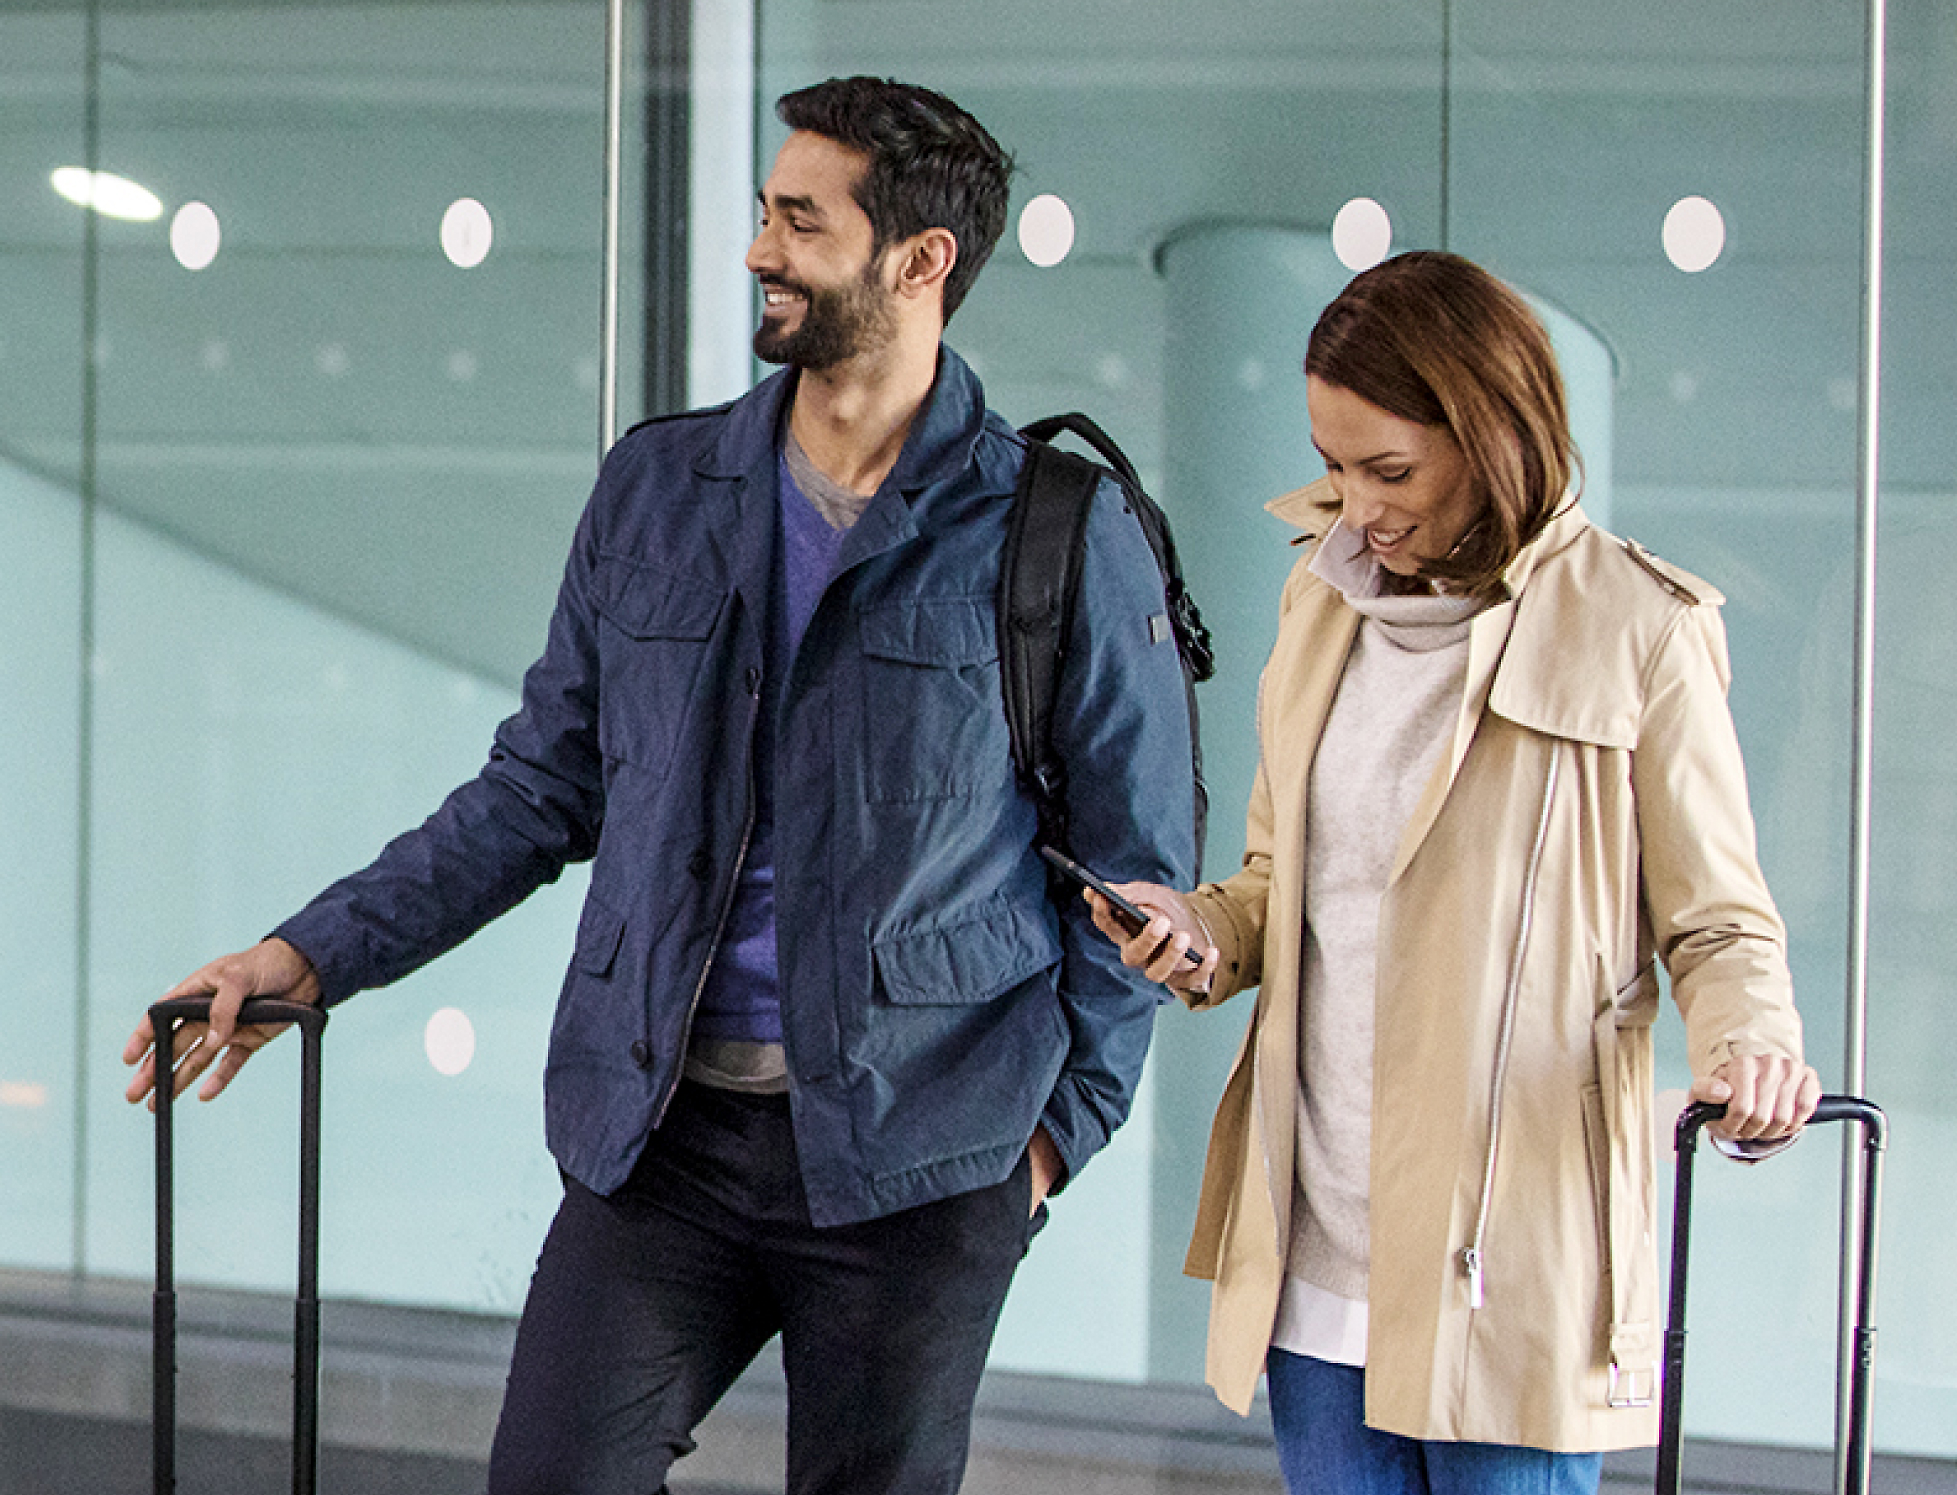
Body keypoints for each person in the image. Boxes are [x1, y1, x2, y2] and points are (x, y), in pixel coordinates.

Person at [123, 75, 1195, 1495]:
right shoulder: (658, 488)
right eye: (764, 211)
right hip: (663, 1139)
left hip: (922, 1164)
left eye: (801, 222)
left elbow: (1138, 874)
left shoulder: (1062, 529)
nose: (760, 248)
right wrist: (314, 951)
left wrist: (1051, 1146)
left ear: (921, 261)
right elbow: (536, 788)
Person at [1087, 250, 1818, 1494]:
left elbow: (1717, 922)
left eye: (1389, 469)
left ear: (1490, 434)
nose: (1356, 506)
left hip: (1512, 1259)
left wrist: (1754, 1043)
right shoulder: (1321, 602)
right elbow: (1281, 882)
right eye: (1331, 465)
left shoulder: (1644, 628)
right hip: (1318, 1253)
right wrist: (1198, 929)